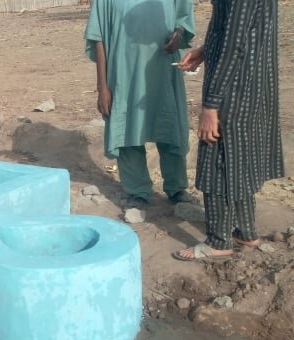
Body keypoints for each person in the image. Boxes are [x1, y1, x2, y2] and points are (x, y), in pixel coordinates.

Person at [173, 0, 283, 261]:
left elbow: (235, 45)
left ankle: (218, 240)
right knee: (240, 157)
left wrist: (211, 105)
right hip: (253, 85)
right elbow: (237, 31)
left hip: (234, 90)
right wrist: (204, 50)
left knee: (217, 158)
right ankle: (245, 231)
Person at [84, 0, 195, 207]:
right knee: (127, 128)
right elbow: (98, 36)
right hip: (123, 71)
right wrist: (102, 86)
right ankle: (137, 190)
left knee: (169, 124)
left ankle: (177, 187)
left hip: (163, 67)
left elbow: (183, 17)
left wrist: (178, 34)